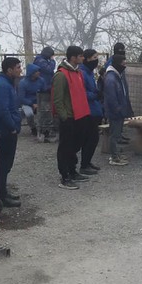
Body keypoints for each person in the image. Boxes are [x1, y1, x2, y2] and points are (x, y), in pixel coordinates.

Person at [52, 46, 93, 189]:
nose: (83, 58)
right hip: (69, 117)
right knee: (65, 147)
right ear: (73, 57)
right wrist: (64, 117)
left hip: (79, 116)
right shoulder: (61, 75)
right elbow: (57, 99)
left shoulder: (78, 73)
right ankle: (65, 176)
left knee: (75, 146)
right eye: (80, 56)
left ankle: (72, 170)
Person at [0, 57, 23, 208]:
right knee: (4, 164)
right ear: (9, 70)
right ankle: (2, 196)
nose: (20, 70)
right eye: (17, 67)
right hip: (5, 131)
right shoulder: (2, 86)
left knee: (7, 164)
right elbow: (3, 110)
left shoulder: (8, 83)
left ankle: (3, 192)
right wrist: (12, 127)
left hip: (10, 129)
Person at [104, 54, 134, 166]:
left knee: (117, 133)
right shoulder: (111, 78)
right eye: (123, 63)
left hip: (119, 110)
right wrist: (118, 109)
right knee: (115, 134)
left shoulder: (117, 75)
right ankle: (114, 157)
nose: (124, 66)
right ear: (117, 64)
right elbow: (112, 98)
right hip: (115, 112)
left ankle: (116, 154)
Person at [79, 49, 104, 176]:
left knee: (93, 139)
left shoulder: (89, 72)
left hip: (94, 109)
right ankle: (84, 165)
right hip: (88, 111)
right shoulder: (82, 73)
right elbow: (82, 93)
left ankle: (87, 162)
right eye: (94, 57)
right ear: (87, 59)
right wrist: (95, 94)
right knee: (90, 138)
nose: (96, 60)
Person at [33, 46, 57, 142]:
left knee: (48, 110)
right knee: (44, 111)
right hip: (43, 89)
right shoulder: (40, 60)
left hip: (47, 87)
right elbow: (49, 69)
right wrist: (52, 61)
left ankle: (46, 131)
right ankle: (42, 132)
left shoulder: (42, 60)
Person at [17, 63, 42, 137]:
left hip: (39, 102)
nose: (39, 72)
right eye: (37, 71)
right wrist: (32, 104)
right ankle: (33, 128)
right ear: (32, 73)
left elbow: (44, 92)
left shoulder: (41, 81)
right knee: (29, 114)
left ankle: (43, 128)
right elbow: (21, 98)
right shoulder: (23, 83)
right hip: (27, 103)